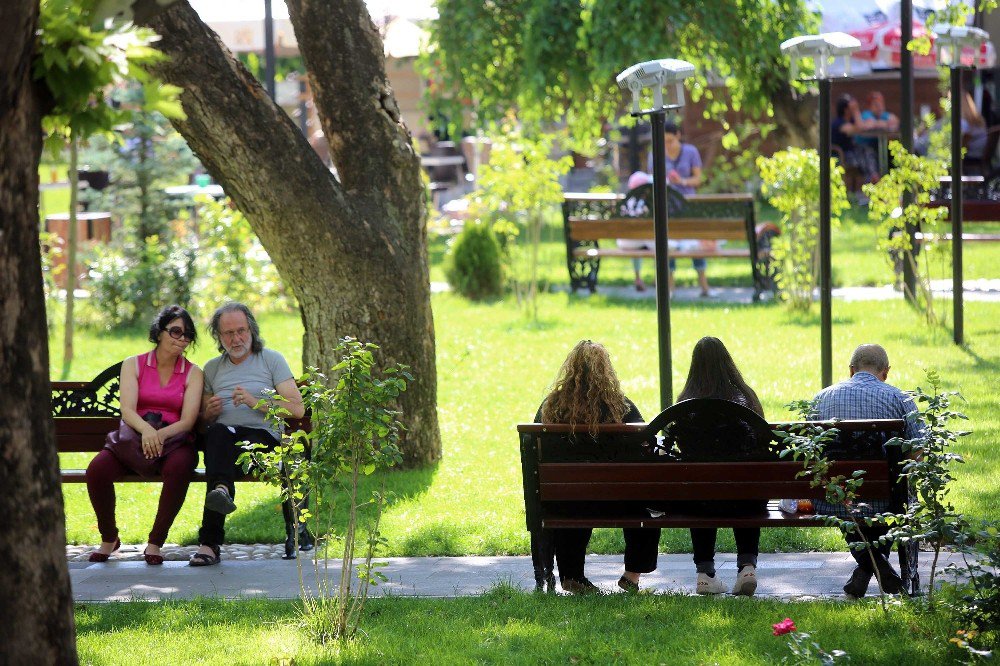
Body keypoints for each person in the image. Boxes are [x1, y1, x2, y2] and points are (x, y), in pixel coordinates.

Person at [534, 340, 658, 593]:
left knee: (573, 503)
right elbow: (646, 444)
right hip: (617, 500)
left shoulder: (551, 407)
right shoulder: (621, 407)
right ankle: (631, 576)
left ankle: (572, 575)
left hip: (562, 499)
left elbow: (536, 448)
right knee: (646, 513)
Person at [188, 302, 305, 567]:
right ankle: (221, 490)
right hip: (224, 445)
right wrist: (208, 413)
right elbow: (201, 424)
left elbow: (297, 409)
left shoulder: (270, 360)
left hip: (262, 442)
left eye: (241, 331)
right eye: (228, 333)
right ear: (218, 336)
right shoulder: (212, 368)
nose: (236, 338)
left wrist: (256, 402)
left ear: (252, 329)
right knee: (218, 433)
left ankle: (209, 542)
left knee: (219, 445)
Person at [85, 305, 204, 565]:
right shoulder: (133, 364)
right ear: (159, 332)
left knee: (183, 464)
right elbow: (127, 410)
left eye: (187, 335)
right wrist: (148, 430)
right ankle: (109, 539)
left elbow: (188, 421)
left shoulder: (194, 373)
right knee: (97, 470)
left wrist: (160, 435)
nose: (182, 339)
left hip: (174, 440)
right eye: (175, 331)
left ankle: (155, 542)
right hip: (134, 438)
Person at [811, 343, 923, 598]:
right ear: (886, 371)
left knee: (847, 499)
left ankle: (866, 569)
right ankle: (880, 565)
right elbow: (917, 452)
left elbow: (812, 452)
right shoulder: (900, 398)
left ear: (851, 370)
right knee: (895, 498)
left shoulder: (822, 398)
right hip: (888, 499)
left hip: (833, 499)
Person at [671, 336, 765, 596]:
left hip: (700, 498)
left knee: (700, 488)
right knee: (746, 483)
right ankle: (747, 567)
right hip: (745, 496)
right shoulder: (745, 398)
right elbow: (760, 442)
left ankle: (705, 573)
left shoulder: (684, 402)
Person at [638, 122, 709, 296]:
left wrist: (682, 181)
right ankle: (669, 288)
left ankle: (704, 286)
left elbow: (698, 179)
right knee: (667, 244)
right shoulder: (655, 154)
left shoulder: (690, 152)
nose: (667, 145)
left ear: (677, 135)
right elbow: (651, 180)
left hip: (687, 204)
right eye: (663, 142)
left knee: (694, 243)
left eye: (670, 140)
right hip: (666, 206)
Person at [832, 94, 880, 196]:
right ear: (846, 109)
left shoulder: (850, 121)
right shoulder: (839, 123)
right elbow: (860, 128)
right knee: (864, 158)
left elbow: (866, 125)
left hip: (853, 153)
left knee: (868, 152)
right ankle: (868, 188)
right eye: (852, 107)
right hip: (840, 155)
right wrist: (856, 111)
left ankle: (873, 180)